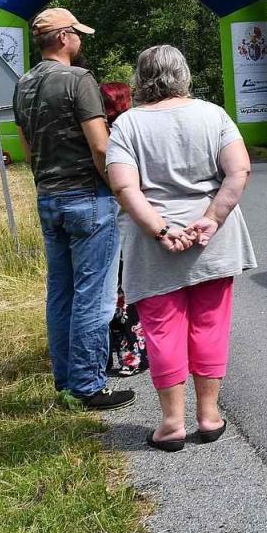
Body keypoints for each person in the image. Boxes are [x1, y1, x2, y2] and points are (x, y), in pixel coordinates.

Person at [105, 45, 256, 452]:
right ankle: (209, 416)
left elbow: (123, 186)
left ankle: (171, 424)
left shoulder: (128, 125)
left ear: (141, 78)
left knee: (162, 329)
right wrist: (212, 218)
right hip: (213, 240)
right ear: (183, 74)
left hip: (154, 246)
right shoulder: (213, 114)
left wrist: (160, 230)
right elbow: (238, 170)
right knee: (210, 323)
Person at [12, 8, 134, 411]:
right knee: (94, 296)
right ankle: (86, 385)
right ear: (64, 37)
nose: (81, 40)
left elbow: (26, 148)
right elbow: (101, 146)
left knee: (60, 293)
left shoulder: (23, 84)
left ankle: (64, 380)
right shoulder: (79, 80)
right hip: (87, 198)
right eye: (78, 34)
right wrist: (121, 191)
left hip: (48, 197)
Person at [100, 81, 148, 378]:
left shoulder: (95, 133)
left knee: (104, 293)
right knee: (128, 294)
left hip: (102, 216)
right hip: (125, 219)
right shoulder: (130, 130)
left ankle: (104, 357)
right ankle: (134, 357)